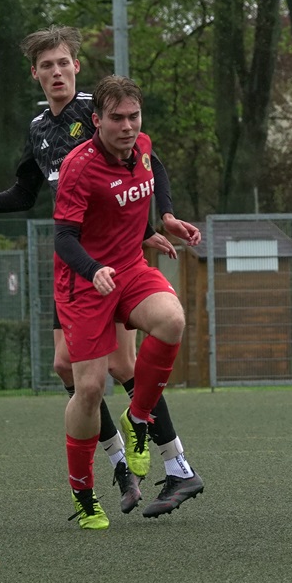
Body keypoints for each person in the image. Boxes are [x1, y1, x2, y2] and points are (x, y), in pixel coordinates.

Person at [0, 26, 203, 518]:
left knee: (118, 367)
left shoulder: (97, 111)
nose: (56, 72)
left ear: (76, 66)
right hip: (75, 264)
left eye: (63, 62)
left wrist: (152, 225)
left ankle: (174, 464)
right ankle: (125, 466)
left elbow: (144, 165)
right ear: (35, 74)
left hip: (109, 263)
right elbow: (27, 193)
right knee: (67, 367)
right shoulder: (40, 128)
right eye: (47, 65)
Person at [53, 75, 201, 529]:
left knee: (172, 320)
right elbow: (63, 238)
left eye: (134, 116)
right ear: (97, 120)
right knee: (89, 388)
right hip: (85, 283)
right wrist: (92, 268)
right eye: (117, 118)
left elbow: (157, 169)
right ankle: (84, 494)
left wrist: (166, 216)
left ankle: (137, 420)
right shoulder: (79, 166)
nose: (128, 126)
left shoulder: (142, 146)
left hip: (130, 269)